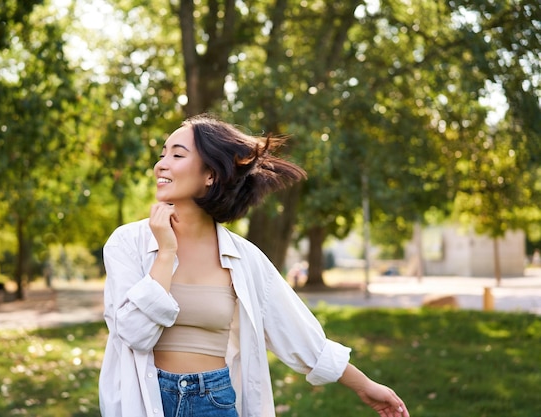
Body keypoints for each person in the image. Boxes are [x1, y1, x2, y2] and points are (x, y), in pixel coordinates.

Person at [99, 114, 410, 417]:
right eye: (162, 153)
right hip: (146, 400)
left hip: (213, 401)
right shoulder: (127, 244)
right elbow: (134, 334)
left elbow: (296, 331)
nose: (161, 164)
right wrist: (166, 253)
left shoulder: (244, 258)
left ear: (211, 175)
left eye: (177, 155)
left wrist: (364, 385)